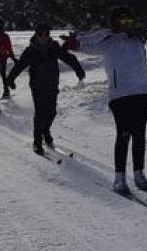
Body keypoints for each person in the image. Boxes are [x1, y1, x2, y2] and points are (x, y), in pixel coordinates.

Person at [64, 6, 147, 195]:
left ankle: (139, 174)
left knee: (139, 136)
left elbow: (144, 69)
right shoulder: (108, 41)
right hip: (120, 95)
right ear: (114, 23)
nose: (127, 26)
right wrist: (76, 42)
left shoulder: (138, 41)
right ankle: (119, 178)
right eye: (122, 22)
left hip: (141, 94)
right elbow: (83, 45)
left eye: (129, 22)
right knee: (123, 135)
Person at [5, 23, 86, 155]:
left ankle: (45, 131)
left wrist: (79, 70)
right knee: (40, 113)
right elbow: (19, 65)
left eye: (47, 34)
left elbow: (68, 57)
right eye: (41, 34)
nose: (44, 37)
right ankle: (37, 142)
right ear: (36, 35)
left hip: (52, 84)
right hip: (37, 86)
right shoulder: (30, 51)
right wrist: (10, 79)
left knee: (52, 112)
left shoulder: (54, 47)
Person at [0, 17, 19, 99]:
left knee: (1, 74)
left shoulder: (4, 36)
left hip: (2, 57)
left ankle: (6, 91)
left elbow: (9, 47)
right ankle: (4, 91)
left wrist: (13, 57)